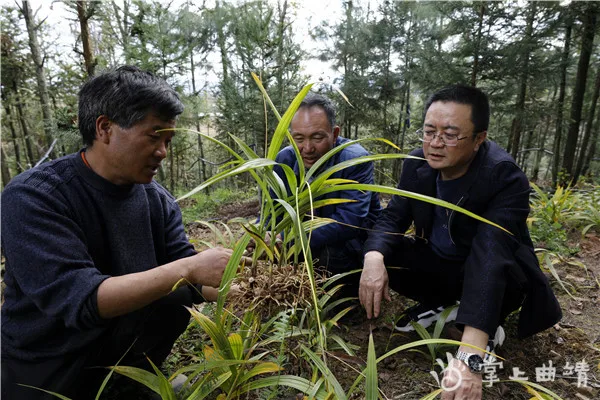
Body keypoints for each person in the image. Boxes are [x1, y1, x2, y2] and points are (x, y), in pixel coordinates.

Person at [1, 66, 239, 399]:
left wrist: (242, 287)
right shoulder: (35, 197)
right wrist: (188, 269)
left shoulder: (157, 200)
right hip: (51, 378)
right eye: (154, 136)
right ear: (105, 128)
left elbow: (185, 277)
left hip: (131, 370)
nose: (163, 152)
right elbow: (81, 300)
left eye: (168, 141)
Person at [359, 84, 561, 399]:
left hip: (493, 275)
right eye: (428, 132)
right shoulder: (417, 163)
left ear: (479, 139)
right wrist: (373, 258)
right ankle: (444, 307)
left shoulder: (503, 177)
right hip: (442, 266)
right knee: (383, 249)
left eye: (451, 135)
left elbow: (490, 256)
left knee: (501, 273)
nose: (435, 144)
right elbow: (392, 218)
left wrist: (470, 356)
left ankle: (482, 325)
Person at [270, 93, 381, 292]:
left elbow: (349, 221)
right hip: (303, 239)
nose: (307, 148)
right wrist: (264, 235)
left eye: (317, 137)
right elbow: (272, 211)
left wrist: (287, 240)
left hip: (349, 242)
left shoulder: (354, 160)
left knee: (328, 255)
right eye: (298, 139)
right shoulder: (284, 160)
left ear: (335, 133)